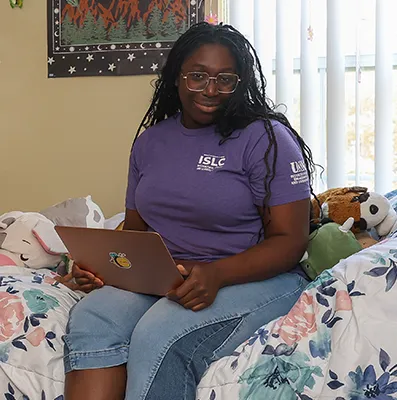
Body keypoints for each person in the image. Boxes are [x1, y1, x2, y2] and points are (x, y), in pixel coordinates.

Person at [62, 22, 315, 400]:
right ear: (176, 77)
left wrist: (216, 274)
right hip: (168, 276)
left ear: (240, 83)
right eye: (197, 76)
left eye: (224, 79)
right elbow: (135, 232)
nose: (210, 90)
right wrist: (102, 268)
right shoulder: (151, 142)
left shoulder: (266, 139)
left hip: (254, 277)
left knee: (160, 334)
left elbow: (291, 242)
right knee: (93, 318)